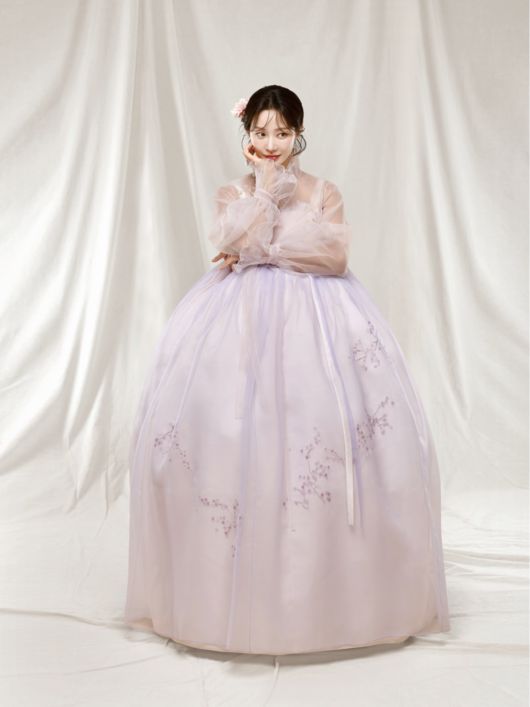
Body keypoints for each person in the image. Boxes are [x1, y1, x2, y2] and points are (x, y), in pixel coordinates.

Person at [124, 84, 450, 655]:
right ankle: (232, 592)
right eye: (260, 132)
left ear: (298, 133)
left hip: (320, 322)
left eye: (281, 132)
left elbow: (332, 258)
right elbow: (234, 241)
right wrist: (266, 196)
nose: (271, 143)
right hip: (237, 323)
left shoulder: (324, 192)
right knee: (232, 434)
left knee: (320, 434)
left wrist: (261, 249)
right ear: (246, 134)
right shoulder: (234, 192)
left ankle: (327, 593)